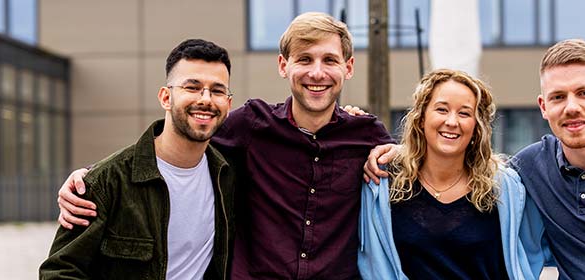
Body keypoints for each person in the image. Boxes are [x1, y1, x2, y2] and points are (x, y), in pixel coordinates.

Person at [56, 12, 393, 279]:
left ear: (348, 68)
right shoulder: (250, 125)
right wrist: (89, 179)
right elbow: (177, 138)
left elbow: (426, 162)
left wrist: (399, 152)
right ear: (283, 65)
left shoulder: (366, 134)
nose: (317, 72)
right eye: (304, 59)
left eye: (329, 61)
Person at [364, 39, 585, 279]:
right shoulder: (529, 168)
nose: (572, 107)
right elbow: (461, 160)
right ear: (543, 107)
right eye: (558, 97)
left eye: (584, 93)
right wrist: (401, 152)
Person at [39, 39, 236, 279]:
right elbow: (59, 272)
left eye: (217, 90)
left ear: (228, 103)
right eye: (192, 87)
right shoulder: (107, 182)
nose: (205, 99)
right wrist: (91, 179)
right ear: (165, 97)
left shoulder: (229, 176)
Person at [358, 69, 549, 280]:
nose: (452, 121)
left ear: (477, 127)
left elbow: (533, 253)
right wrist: (350, 118)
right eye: (441, 109)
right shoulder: (383, 183)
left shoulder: (505, 188)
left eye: (465, 113)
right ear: (421, 118)